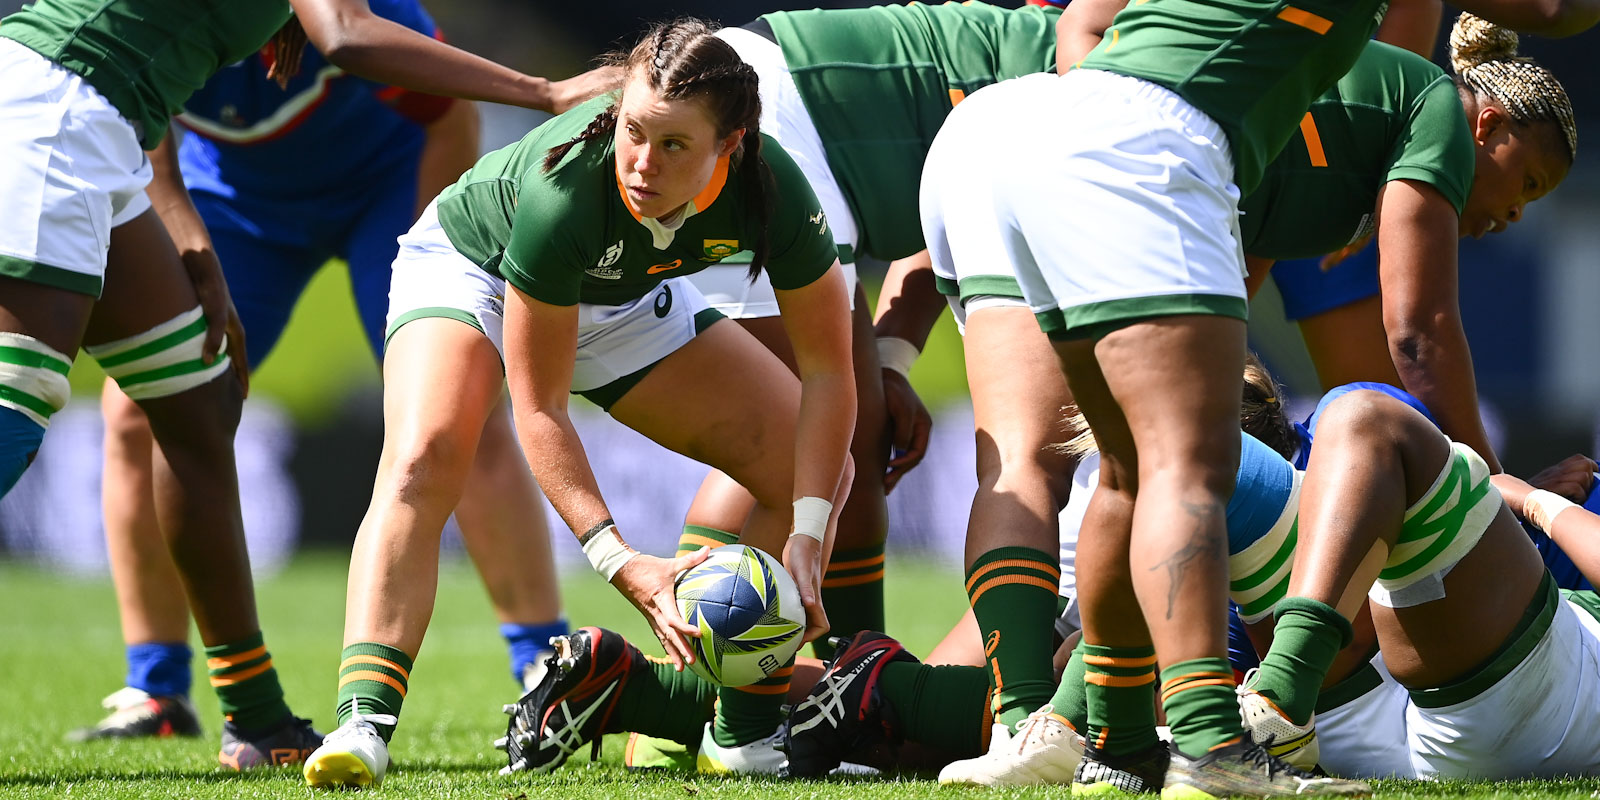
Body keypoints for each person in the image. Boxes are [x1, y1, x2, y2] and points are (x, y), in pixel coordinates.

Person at [915, 0, 1595, 792]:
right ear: (1490, 125)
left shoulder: (1339, 128)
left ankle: (1072, 730)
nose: (1513, 213)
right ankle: (1211, 745)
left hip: (1017, 131)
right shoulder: (1432, 103)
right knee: (1193, 465)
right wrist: (1496, 485)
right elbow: (1418, 330)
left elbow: (1089, 30)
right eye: (1527, 182)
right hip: (1150, 144)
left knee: (1123, 469)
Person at [0, 0, 606, 769]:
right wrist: (547, 92)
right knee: (97, 410)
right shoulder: (313, 24)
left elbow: (438, 107)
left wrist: (437, 268)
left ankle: (525, 661)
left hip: (375, 184)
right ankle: (156, 686)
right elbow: (322, 42)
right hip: (119, 141)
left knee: (222, 399)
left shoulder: (374, 15)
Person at [299, 19, 855, 788]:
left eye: (673, 145)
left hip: (622, 294)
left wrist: (810, 533)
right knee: (425, 454)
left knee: (808, 468)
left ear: (731, 144)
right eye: (634, 131)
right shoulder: (565, 188)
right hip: (478, 267)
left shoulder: (774, 192)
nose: (642, 164)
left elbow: (829, 373)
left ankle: (736, 729)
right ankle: (363, 722)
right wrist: (619, 559)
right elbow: (541, 409)